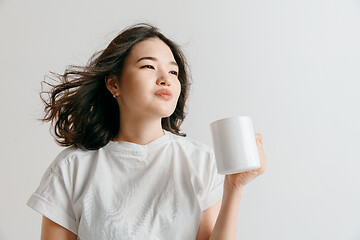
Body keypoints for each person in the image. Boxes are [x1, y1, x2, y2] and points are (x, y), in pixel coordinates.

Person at [26, 23, 266, 240]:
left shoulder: (201, 162)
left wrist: (234, 187)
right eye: (149, 66)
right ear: (113, 84)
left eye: (173, 72)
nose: (166, 79)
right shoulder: (72, 168)